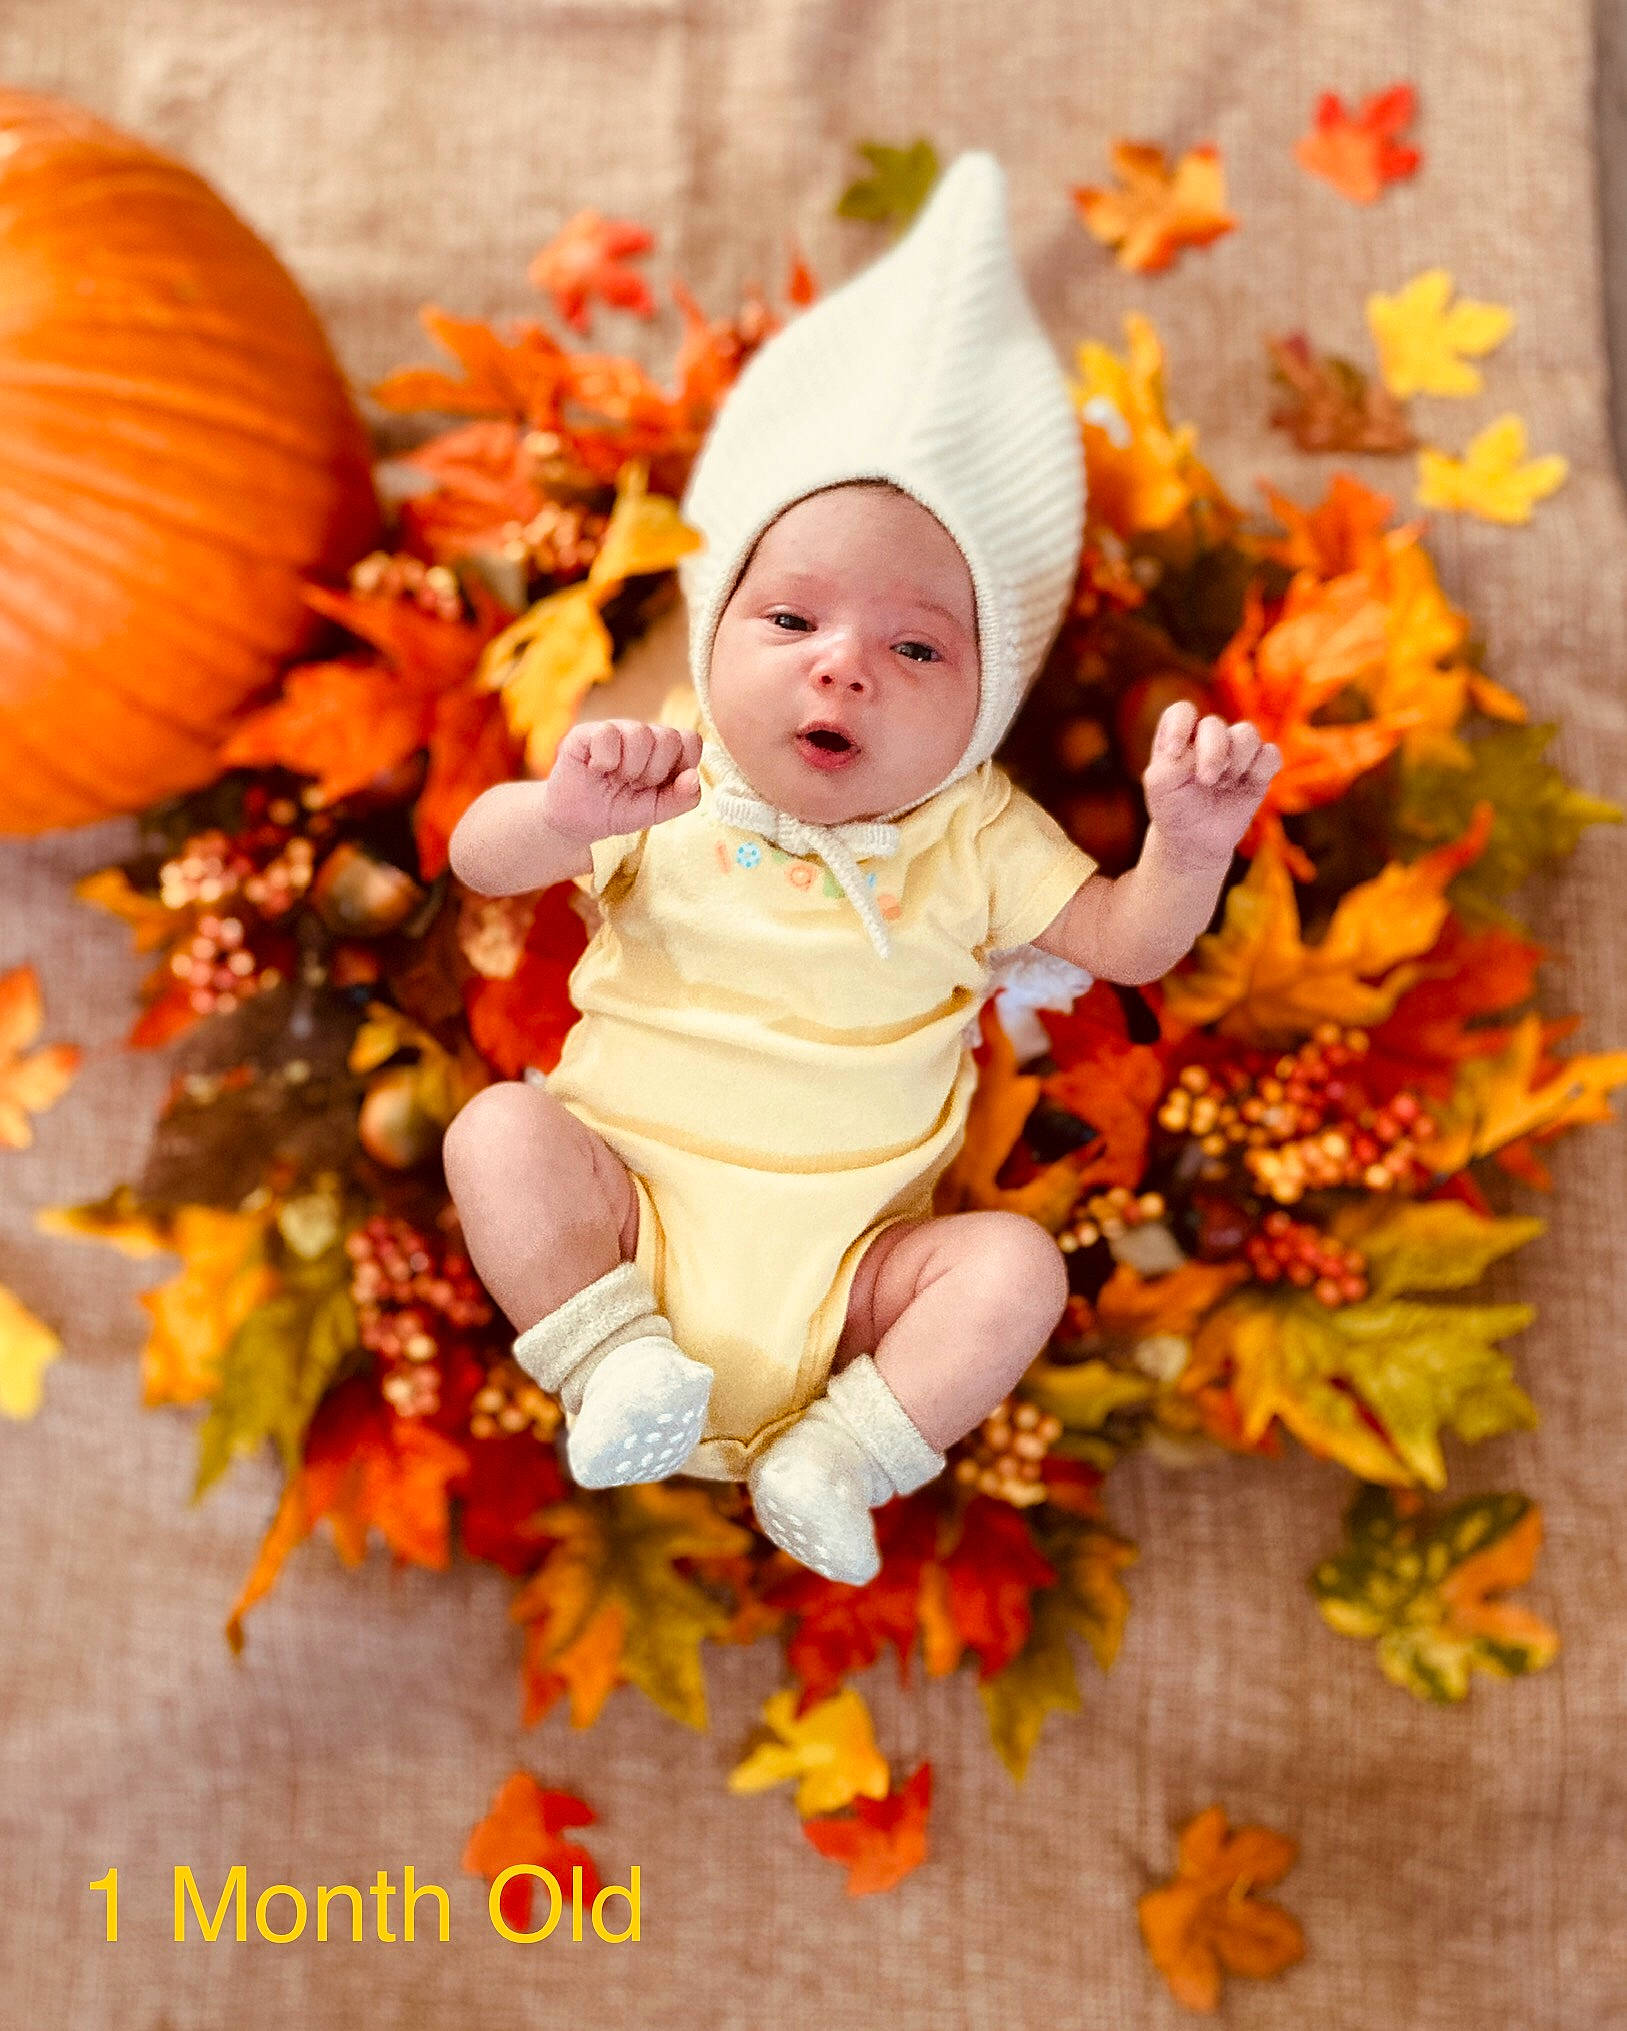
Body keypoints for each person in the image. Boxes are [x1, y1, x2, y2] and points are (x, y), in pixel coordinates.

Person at [444, 151, 1281, 1586]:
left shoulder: (978, 835)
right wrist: (564, 817)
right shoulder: (661, 771)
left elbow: (1128, 945)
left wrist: (1186, 848)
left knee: (1010, 1269)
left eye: (914, 648)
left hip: (855, 1284)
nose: (844, 663)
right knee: (499, 1139)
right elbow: (476, 856)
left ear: (983, 707)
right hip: (625, 1209)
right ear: (713, 638)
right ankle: (615, 1361)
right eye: (789, 618)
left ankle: (847, 1450)